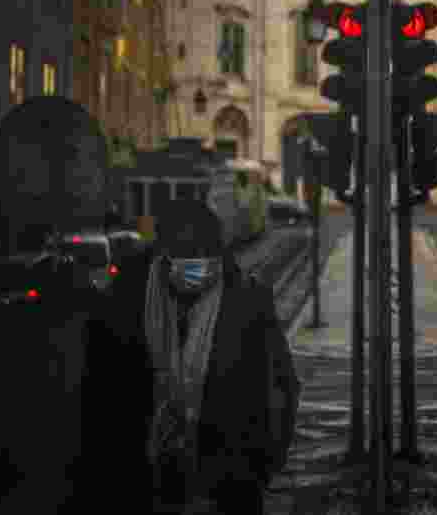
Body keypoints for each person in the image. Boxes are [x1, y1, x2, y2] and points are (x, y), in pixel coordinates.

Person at [76, 200, 299, 515]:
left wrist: (267, 460)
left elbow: (281, 382)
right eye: (183, 251)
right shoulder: (123, 303)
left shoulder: (249, 302)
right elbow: (97, 391)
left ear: (218, 251)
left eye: (201, 251)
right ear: (162, 251)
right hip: (140, 481)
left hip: (230, 483)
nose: (194, 262)